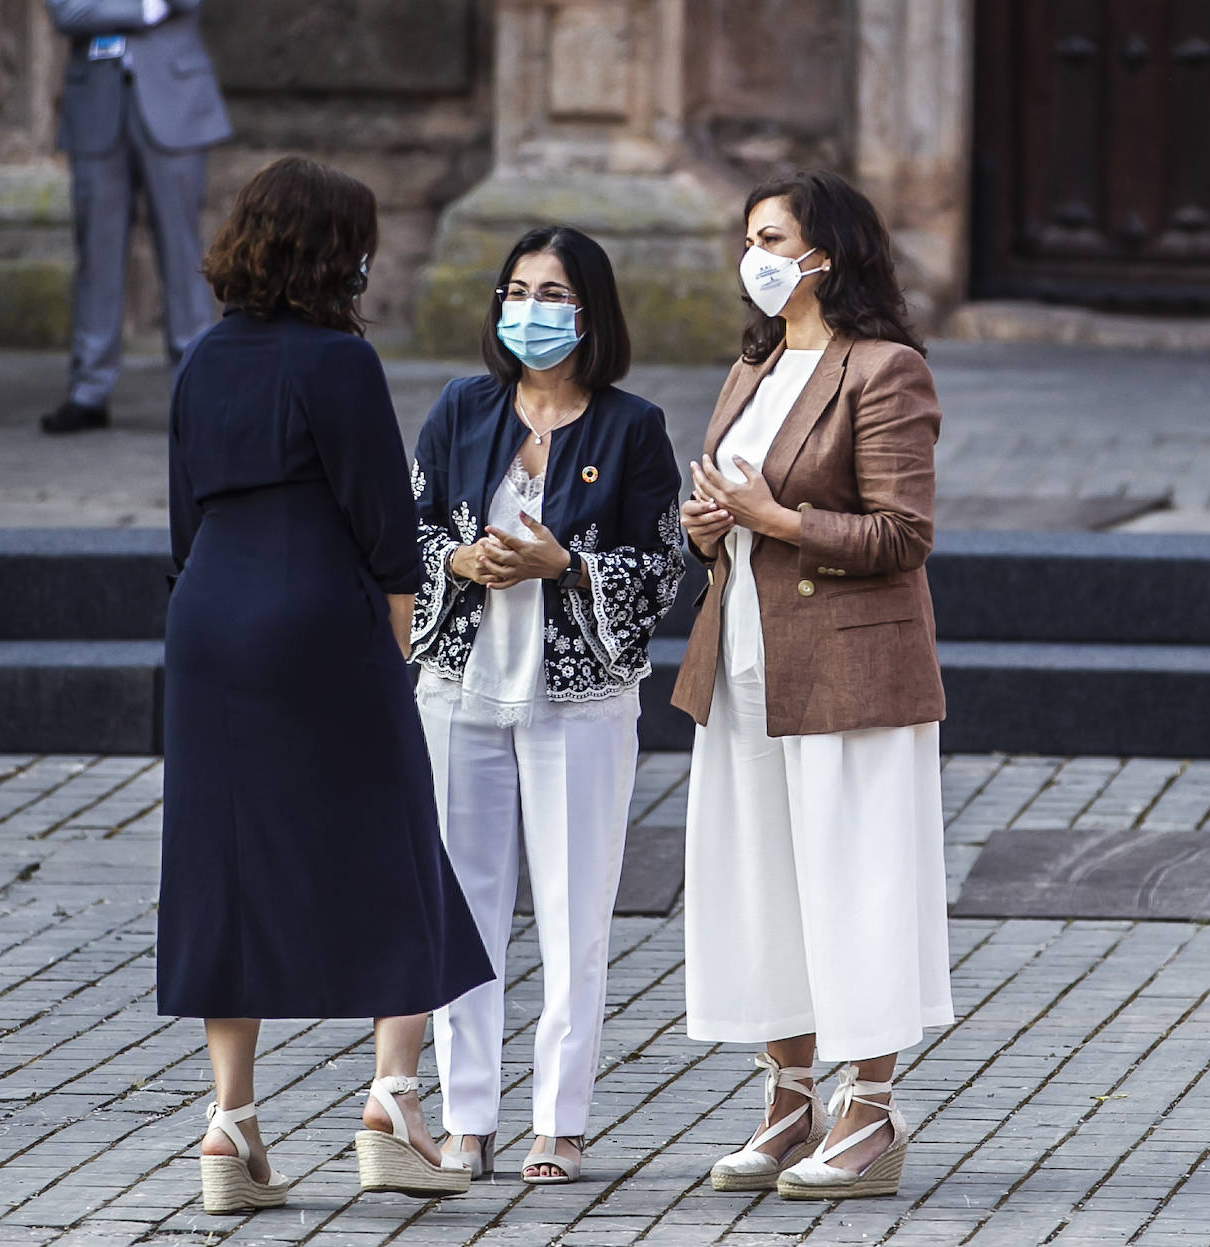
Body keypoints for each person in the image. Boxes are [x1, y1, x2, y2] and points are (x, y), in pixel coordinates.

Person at [157, 157, 492, 1215]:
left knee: (225, 856)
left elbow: (181, 522)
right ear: (333, 251)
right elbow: (388, 533)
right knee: (395, 843)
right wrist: (397, 657)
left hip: (208, 618)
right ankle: (395, 1100)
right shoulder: (340, 361)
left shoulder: (199, 358)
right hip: (320, 618)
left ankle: (230, 1121)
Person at [672, 169, 954, 1200]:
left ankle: (869, 1110)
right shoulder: (750, 368)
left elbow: (903, 533)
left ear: (825, 253)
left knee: (856, 879)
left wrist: (776, 517)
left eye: (773, 235)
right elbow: (722, 507)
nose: (757, 255)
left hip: (851, 667)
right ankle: (787, 1100)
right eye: (750, 236)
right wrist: (706, 523)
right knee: (762, 884)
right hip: (745, 663)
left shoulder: (886, 371)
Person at [409, 225, 683, 1185]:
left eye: (554, 293)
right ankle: (465, 1114)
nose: (531, 310)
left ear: (591, 310)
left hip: (579, 699)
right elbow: (405, 526)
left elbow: (662, 568)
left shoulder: (633, 426)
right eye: (517, 290)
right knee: (461, 906)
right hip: (462, 684)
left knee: (576, 911)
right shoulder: (457, 409)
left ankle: (560, 1121)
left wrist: (567, 565)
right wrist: (458, 558)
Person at [42, 0, 230, 434]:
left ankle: (196, 387)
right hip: (95, 103)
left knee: (184, 254)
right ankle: (88, 390)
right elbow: (67, 11)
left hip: (174, 99)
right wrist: (143, 9)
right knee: (96, 251)